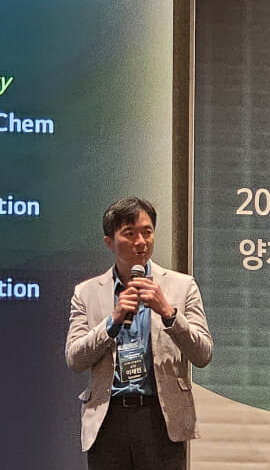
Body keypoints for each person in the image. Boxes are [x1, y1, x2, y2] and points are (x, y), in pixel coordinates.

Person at [65, 197, 212, 470]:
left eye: (147, 232)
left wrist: (169, 313)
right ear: (109, 242)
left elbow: (203, 354)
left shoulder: (182, 286)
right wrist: (112, 322)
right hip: (108, 419)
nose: (141, 242)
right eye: (130, 234)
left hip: (161, 417)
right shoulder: (86, 293)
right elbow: (74, 359)